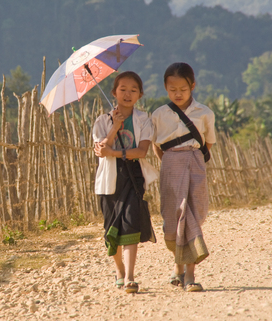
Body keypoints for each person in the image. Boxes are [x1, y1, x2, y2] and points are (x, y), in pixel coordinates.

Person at [152, 62, 216, 292]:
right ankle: (180, 268)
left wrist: (191, 159)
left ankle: (189, 273)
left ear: (193, 86)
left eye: (183, 89)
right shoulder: (159, 114)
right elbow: (156, 146)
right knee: (174, 215)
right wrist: (171, 162)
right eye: (172, 89)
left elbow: (208, 143)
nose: (177, 94)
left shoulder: (205, 113)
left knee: (193, 213)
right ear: (165, 88)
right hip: (170, 166)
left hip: (195, 164)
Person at [93, 71, 158, 293]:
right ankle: (119, 269)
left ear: (140, 94)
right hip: (110, 180)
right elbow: (101, 151)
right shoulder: (102, 121)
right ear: (114, 93)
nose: (127, 94)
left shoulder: (144, 120)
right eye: (123, 89)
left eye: (133, 90)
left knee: (131, 222)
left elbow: (141, 152)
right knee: (112, 227)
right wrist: (114, 128)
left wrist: (115, 152)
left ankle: (130, 277)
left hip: (133, 176)